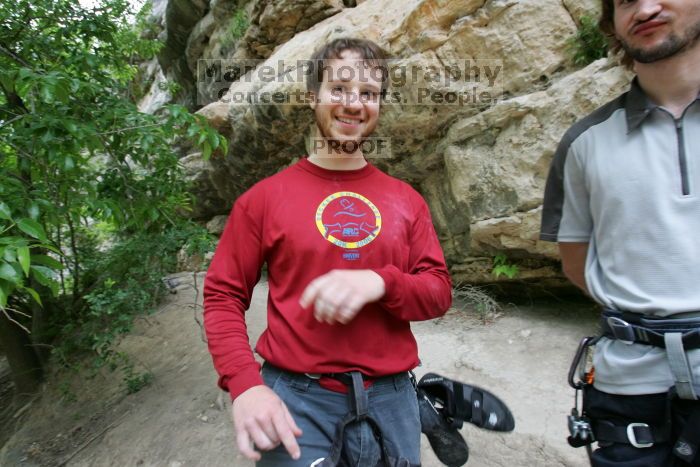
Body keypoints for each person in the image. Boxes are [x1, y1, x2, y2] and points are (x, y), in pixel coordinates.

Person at [203, 38, 452, 466]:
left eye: (369, 93)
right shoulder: (263, 199)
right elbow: (222, 296)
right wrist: (245, 384)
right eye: (339, 88)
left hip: (393, 400)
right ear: (311, 95)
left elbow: (437, 293)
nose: (354, 103)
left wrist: (380, 281)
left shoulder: (406, 200)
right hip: (298, 400)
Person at [540, 0, 700, 465]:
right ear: (612, 23)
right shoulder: (585, 143)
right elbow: (576, 262)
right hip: (630, 388)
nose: (646, 8)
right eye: (626, 1)